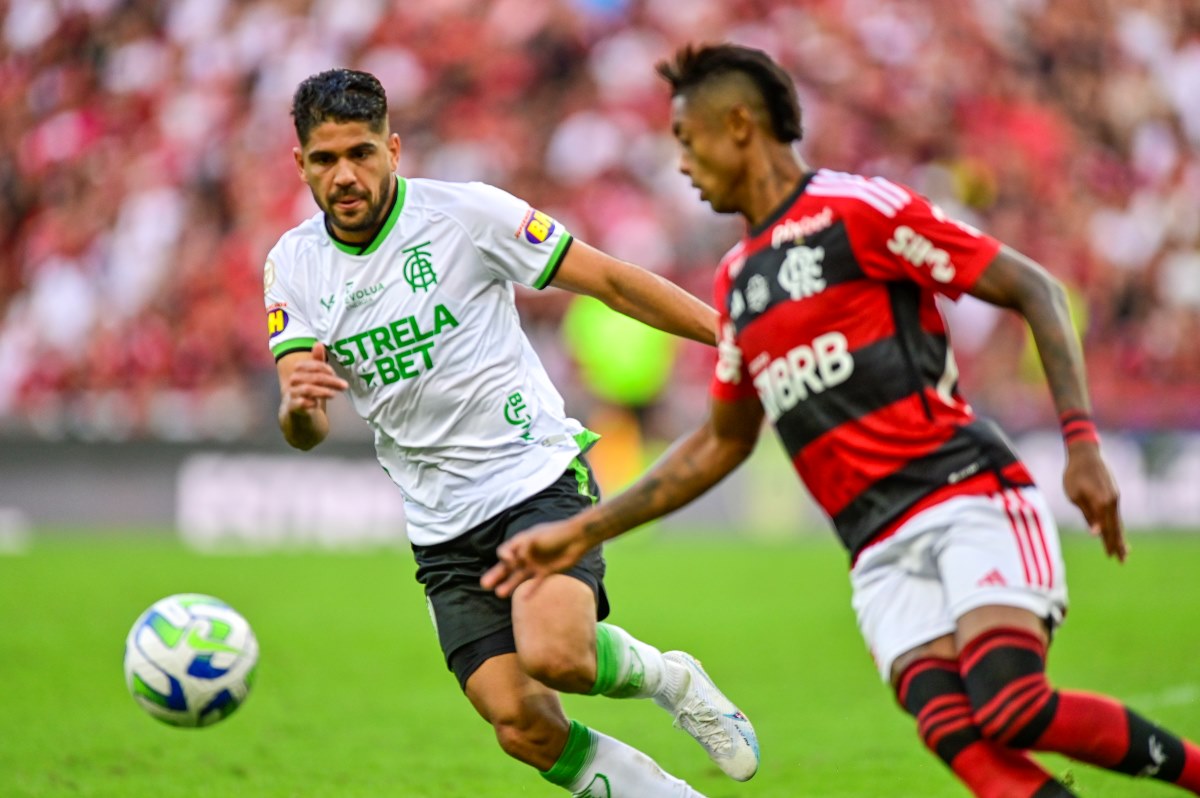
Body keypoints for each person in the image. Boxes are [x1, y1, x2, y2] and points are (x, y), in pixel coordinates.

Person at [482, 44, 1200, 798]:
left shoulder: (861, 212)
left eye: (688, 143)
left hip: (963, 496)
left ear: (738, 127)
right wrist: (582, 530)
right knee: (959, 737)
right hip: (876, 550)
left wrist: (1080, 444)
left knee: (1010, 705)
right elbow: (720, 445)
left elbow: (1036, 288)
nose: (684, 167)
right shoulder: (739, 281)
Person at [264, 68, 760, 797]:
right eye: (325, 159)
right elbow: (304, 427)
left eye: (361, 153)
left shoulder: (467, 216)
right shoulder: (293, 266)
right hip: (439, 523)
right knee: (520, 725)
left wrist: (731, 338)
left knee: (558, 655)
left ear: (393, 150)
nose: (345, 174)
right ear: (299, 164)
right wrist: (295, 407)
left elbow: (613, 281)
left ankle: (672, 677)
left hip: (532, 477)